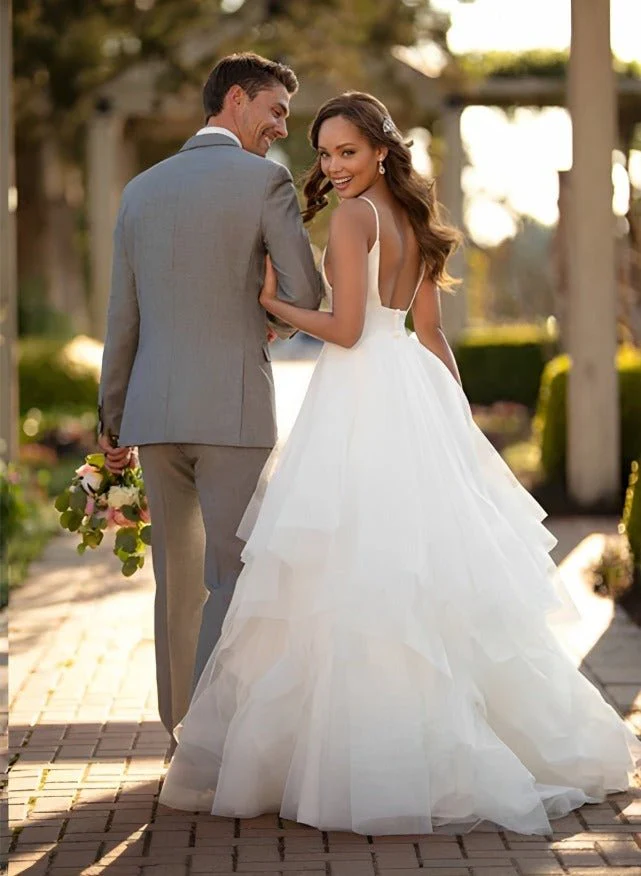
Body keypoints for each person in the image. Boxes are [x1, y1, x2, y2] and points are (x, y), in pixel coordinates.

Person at [158, 92, 641, 835]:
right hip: (410, 392)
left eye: (346, 152)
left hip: (358, 397)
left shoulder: (353, 219)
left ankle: (371, 759)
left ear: (381, 151)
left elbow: (346, 332)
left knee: (351, 569)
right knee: (416, 574)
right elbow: (430, 334)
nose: (333, 167)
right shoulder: (413, 219)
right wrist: (456, 421)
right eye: (323, 154)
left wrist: (276, 306)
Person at [97, 53, 323, 746]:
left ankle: (179, 727)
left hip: (155, 415)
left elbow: (123, 317)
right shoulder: (264, 181)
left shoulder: (140, 189)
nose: (282, 128)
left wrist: (113, 418)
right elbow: (305, 295)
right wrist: (270, 317)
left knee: (176, 579)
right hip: (233, 411)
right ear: (234, 100)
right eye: (275, 111)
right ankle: (218, 736)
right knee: (232, 571)